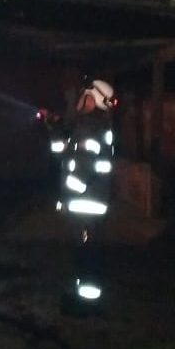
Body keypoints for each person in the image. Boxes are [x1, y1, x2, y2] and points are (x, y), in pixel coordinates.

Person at [53, 77, 117, 307]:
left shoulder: (90, 126)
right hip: (90, 201)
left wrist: (67, 197)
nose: (80, 99)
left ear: (94, 99)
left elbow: (83, 167)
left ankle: (87, 303)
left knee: (86, 254)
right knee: (86, 251)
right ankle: (85, 296)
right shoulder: (92, 124)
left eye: (84, 96)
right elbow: (67, 155)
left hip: (85, 202)